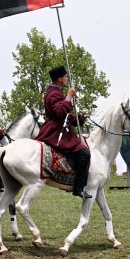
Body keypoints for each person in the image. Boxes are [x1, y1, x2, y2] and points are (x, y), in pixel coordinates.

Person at [36, 66, 92, 198]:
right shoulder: (54, 93)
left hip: (59, 125)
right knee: (84, 152)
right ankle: (78, 188)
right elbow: (59, 112)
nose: (67, 79)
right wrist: (69, 97)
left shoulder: (55, 91)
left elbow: (64, 115)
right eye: (65, 77)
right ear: (60, 79)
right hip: (56, 132)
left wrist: (78, 118)